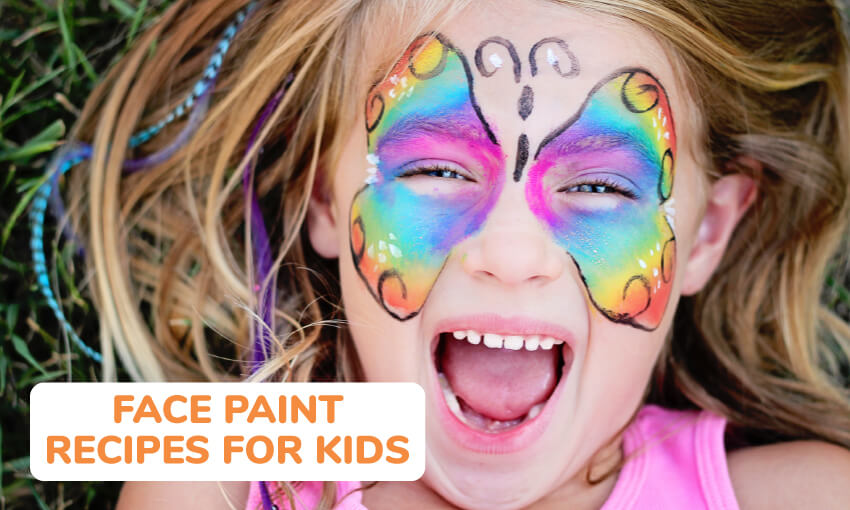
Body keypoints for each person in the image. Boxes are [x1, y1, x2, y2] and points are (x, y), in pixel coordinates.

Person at [35, 0, 850, 508]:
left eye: (601, 187)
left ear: (707, 232)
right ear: (323, 198)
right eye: (434, 168)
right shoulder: (216, 470)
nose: (510, 250)